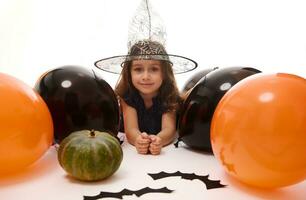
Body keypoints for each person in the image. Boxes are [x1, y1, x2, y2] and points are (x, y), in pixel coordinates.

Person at [114, 40, 181, 155]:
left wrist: (158, 140)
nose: (146, 77)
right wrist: (138, 140)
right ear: (129, 72)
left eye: (154, 69)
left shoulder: (169, 95)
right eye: (138, 69)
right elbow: (131, 129)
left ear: (164, 73)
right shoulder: (128, 96)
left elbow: (169, 129)